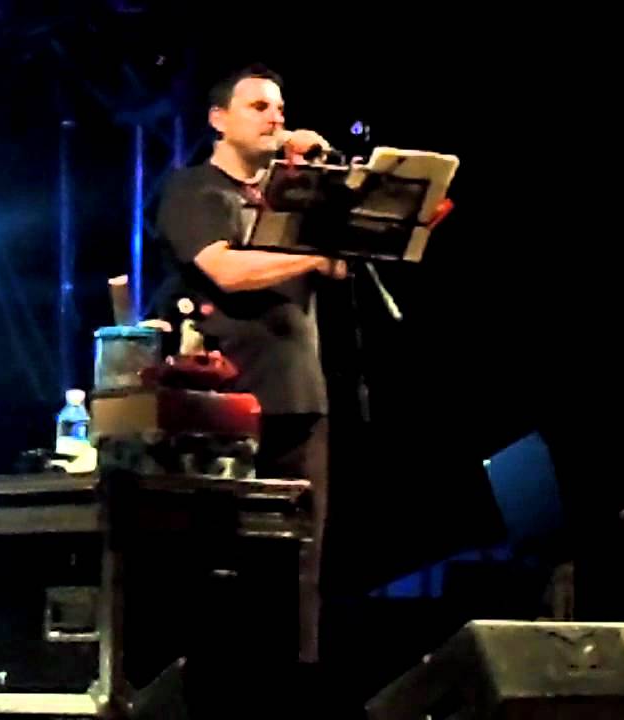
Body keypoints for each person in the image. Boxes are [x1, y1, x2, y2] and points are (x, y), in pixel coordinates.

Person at [155, 63, 347, 669]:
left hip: (300, 397)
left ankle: (295, 685)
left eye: (280, 108)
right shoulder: (193, 190)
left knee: (300, 562)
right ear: (218, 119)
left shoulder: (290, 194)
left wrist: (323, 177)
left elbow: (347, 258)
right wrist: (312, 258)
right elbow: (226, 269)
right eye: (259, 106)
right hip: (224, 406)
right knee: (223, 557)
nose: (275, 117)